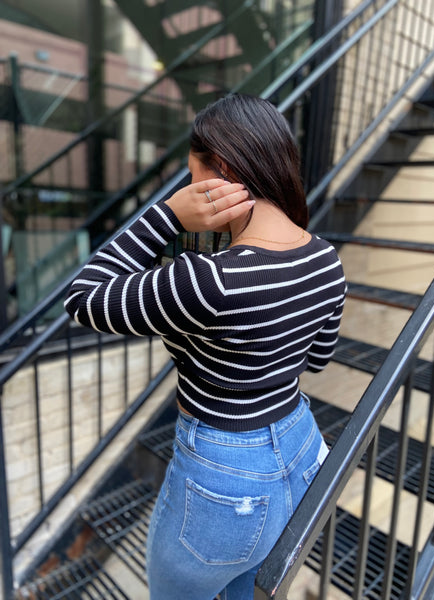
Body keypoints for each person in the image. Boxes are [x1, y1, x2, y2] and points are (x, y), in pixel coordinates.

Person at [65, 93, 346, 600]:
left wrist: (167, 216)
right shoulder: (325, 259)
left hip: (226, 478)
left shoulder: (209, 281)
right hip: (300, 451)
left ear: (220, 171)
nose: (187, 188)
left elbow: (83, 298)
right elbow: (317, 360)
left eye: (190, 174)